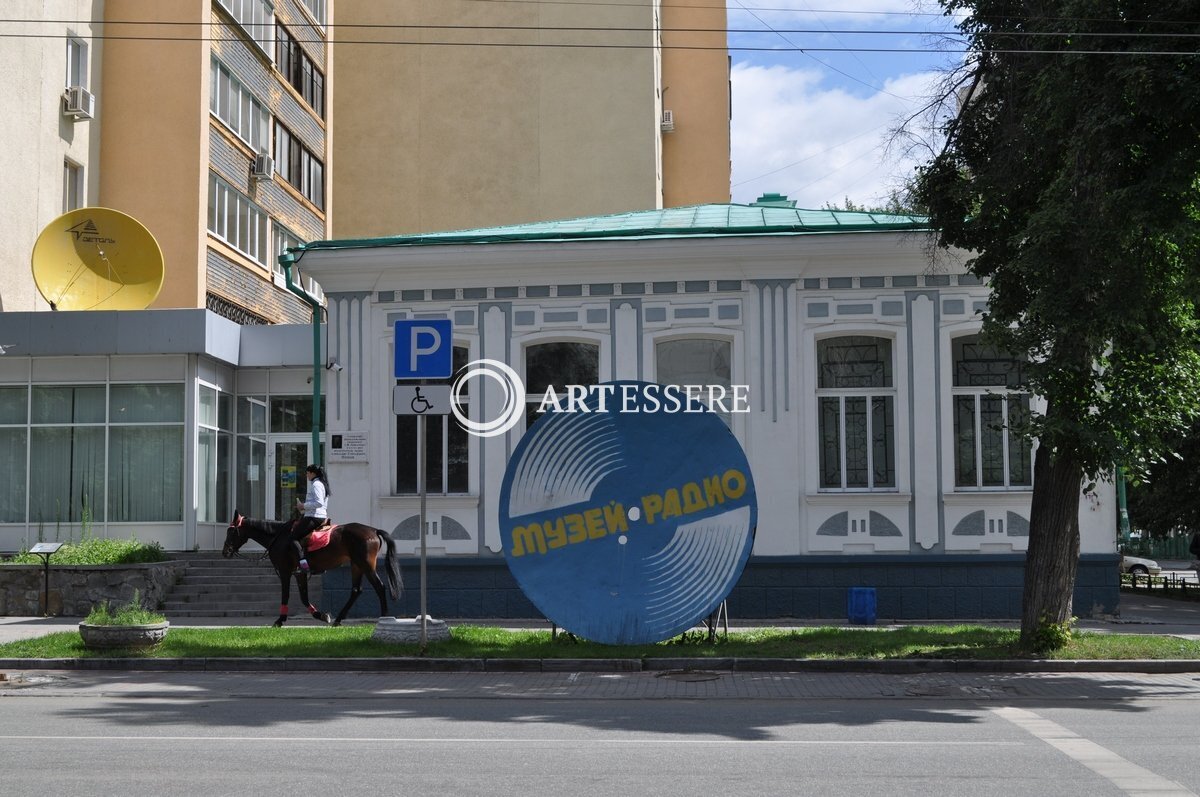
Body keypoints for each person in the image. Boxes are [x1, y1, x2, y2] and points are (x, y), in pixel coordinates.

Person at [288, 464, 331, 573]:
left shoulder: (316, 484)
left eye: (307, 473)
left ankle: (303, 565)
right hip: (317, 515)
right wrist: (302, 508)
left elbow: (319, 503)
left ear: (313, 473)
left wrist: (303, 506)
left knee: (293, 538)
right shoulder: (322, 484)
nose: (307, 475)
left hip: (314, 517)